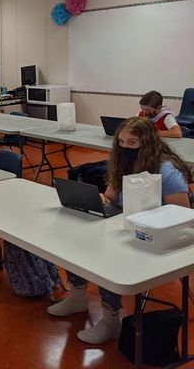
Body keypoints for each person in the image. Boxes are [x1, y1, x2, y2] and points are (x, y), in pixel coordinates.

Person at [47, 117, 192, 344]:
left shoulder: (167, 170)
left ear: (148, 143)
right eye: (121, 142)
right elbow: (111, 197)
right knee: (75, 239)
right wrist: (100, 200)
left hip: (157, 237)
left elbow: (183, 215)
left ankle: (111, 321)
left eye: (132, 143)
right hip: (125, 225)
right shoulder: (123, 163)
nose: (125, 148)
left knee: (107, 258)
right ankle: (77, 297)